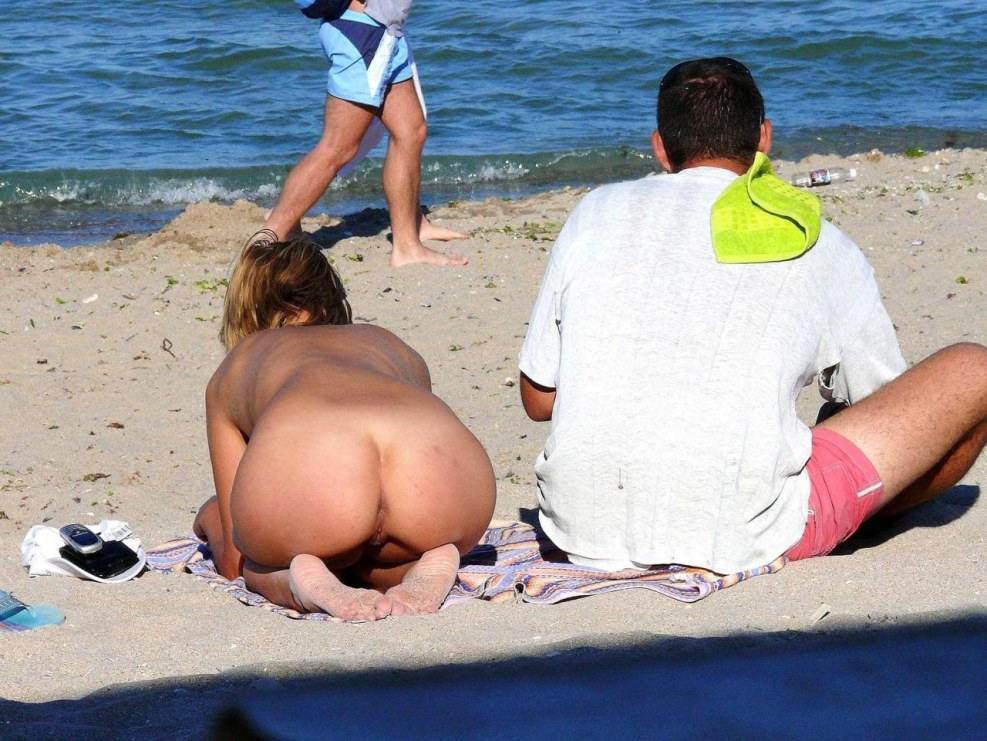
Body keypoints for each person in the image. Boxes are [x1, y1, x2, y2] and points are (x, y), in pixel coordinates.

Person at [518, 57, 987, 575]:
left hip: (577, 525)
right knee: (974, 370)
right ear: (764, 137)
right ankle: (853, 517)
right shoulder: (812, 235)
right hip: (741, 531)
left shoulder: (594, 212)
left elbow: (538, 400)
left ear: (660, 147)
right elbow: (879, 398)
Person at [193, 238, 496, 620]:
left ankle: (301, 580)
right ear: (333, 298)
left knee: (256, 565)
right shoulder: (388, 343)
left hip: (322, 461)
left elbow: (232, 558)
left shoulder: (239, 363)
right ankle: (431, 558)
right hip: (437, 478)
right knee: (372, 553)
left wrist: (211, 517)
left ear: (245, 312)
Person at [260, 0, 468, 267]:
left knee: (410, 131)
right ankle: (266, 241)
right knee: (337, 148)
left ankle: (408, 243)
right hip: (363, 34)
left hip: (385, 33)